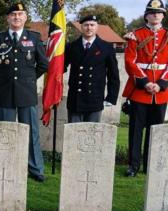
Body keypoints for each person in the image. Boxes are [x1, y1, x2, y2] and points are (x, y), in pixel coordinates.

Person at [0, 3, 49, 182]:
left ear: (25, 17)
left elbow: (43, 64)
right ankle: (4, 166)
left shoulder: (34, 37)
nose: (16, 17)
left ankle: (36, 169)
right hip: (4, 92)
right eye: (13, 14)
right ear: (7, 18)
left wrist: (28, 79)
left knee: (31, 132)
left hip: (26, 92)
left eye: (20, 14)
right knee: (4, 132)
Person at [123, 0, 168, 177]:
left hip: (161, 92)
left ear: (163, 15)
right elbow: (129, 61)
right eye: (151, 12)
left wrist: (162, 84)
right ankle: (133, 166)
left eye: (158, 12)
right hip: (140, 91)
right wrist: (145, 82)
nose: (155, 15)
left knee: (155, 131)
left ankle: (150, 165)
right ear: (146, 15)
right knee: (136, 131)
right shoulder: (135, 35)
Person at [64, 15, 120, 123]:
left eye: (92, 25)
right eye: (86, 25)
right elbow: (62, 67)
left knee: (92, 136)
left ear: (97, 27)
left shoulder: (106, 47)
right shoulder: (71, 47)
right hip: (75, 99)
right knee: (74, 136)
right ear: (81, 27)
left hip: (95, 99)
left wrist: (111, 97)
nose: (89, 28)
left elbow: (113, 75)